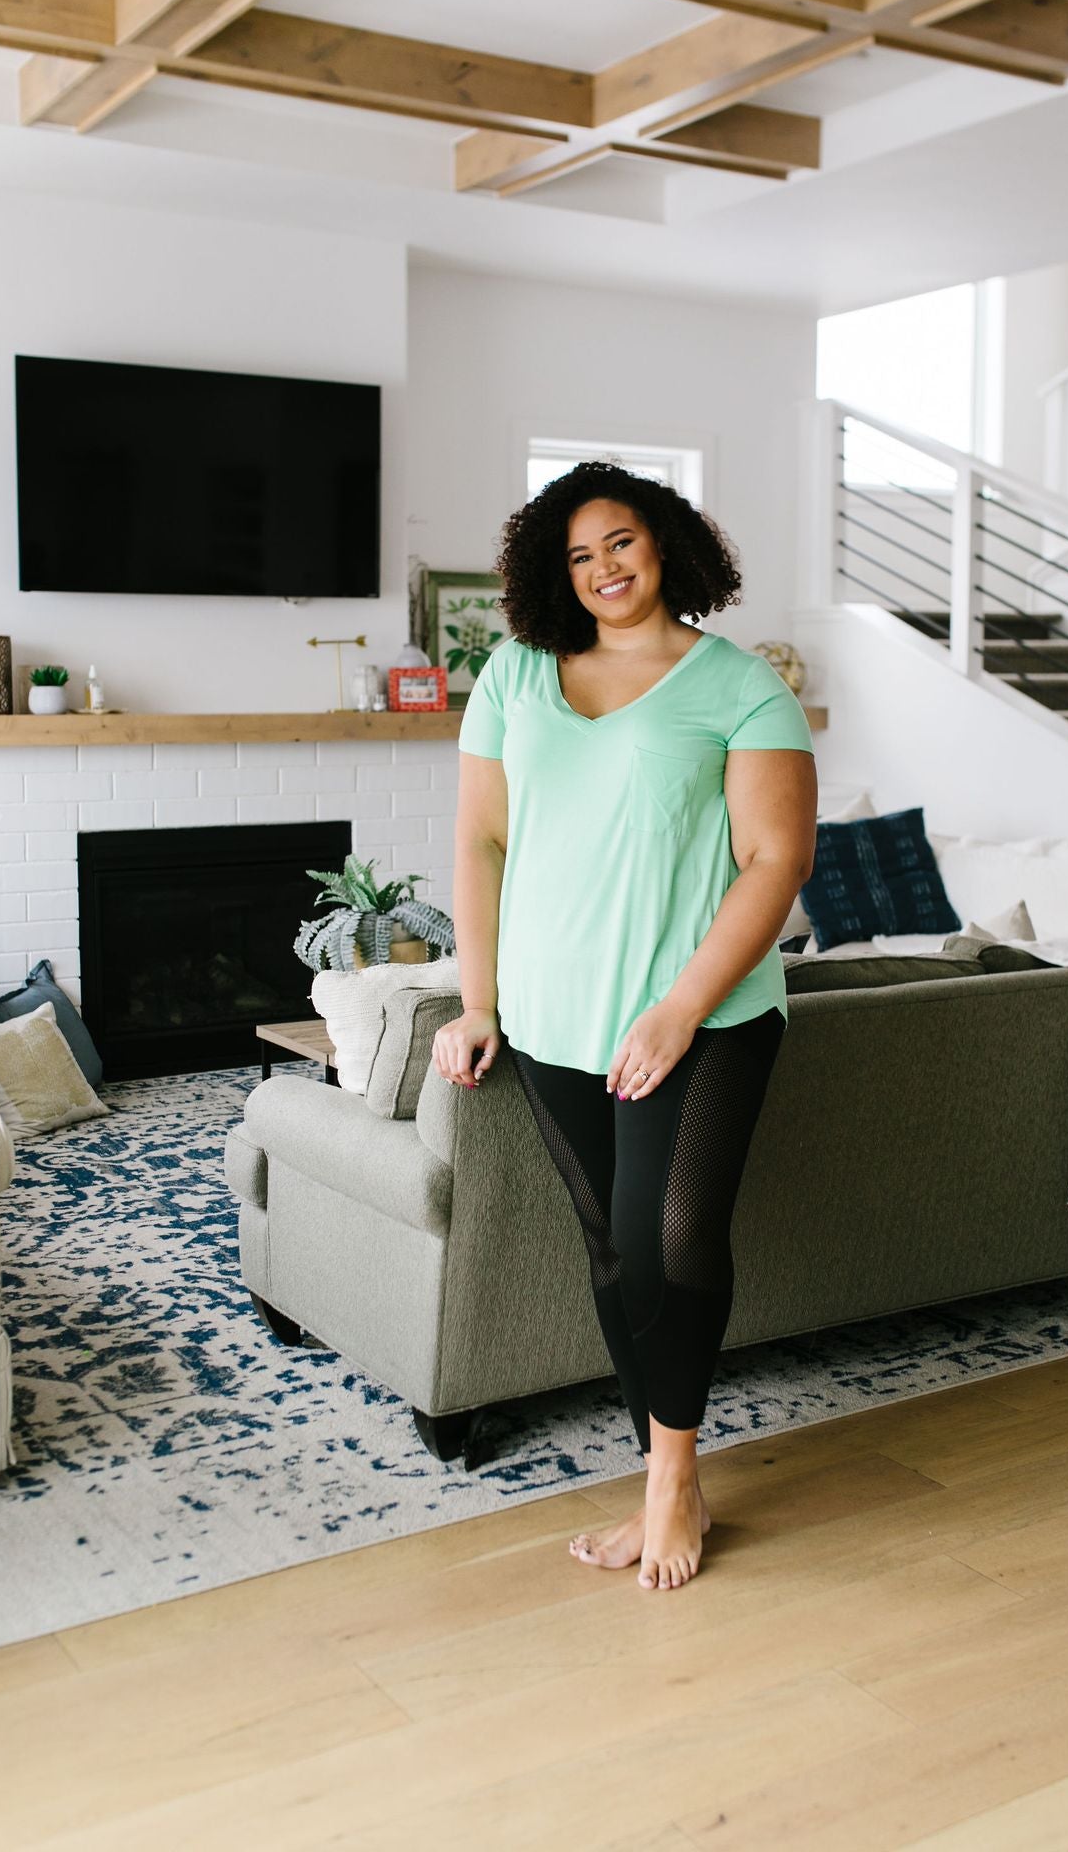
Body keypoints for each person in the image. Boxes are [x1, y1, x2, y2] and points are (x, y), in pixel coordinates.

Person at [433, 460, 817, 1591]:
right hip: (555, 1021)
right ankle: (663, 1469)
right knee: (610, 1246)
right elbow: (481, 843)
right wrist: (478, 1002)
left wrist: (677, 1012)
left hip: (700, 1020)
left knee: (672, 1238)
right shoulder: (514, 675)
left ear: (670, 546)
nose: (603, 568)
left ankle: (671, 1485)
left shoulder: (743, 687)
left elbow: (776, 860)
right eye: (579, 553)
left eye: (623, 542)